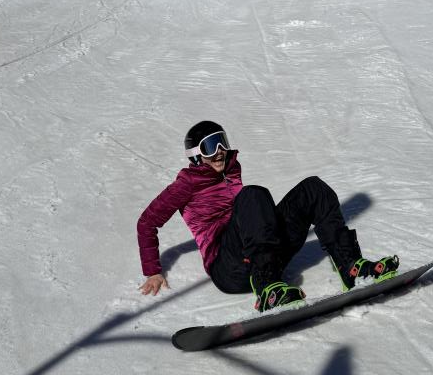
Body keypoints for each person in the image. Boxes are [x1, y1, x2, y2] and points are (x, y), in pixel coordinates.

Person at [136, 121, 399, 312]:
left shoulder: (230, 169)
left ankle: (350, 267)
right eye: (210, 146)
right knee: (253, 195)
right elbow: (147, 223)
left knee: (313, 188)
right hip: (228, 268)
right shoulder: (186, 184)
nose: (220, 150)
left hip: (262, 255)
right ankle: (266, 288)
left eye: (222, 141)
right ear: (196, 156)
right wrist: (153, 272)